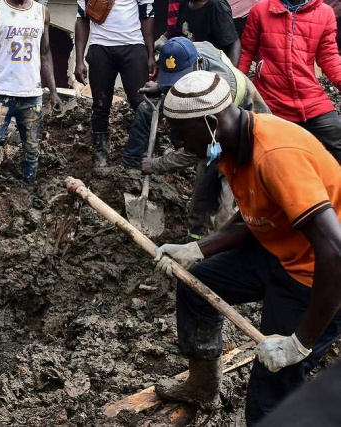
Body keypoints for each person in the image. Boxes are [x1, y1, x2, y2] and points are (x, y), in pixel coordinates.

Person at [145, 71, 341, 423]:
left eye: (179, 132)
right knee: (197, 288)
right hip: (281, 251)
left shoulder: (276, 155)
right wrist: (198, 249)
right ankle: (203, 387)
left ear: (209, 123)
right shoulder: (233, 144)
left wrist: (299, 343)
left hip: (318, 275)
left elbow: (336, 253)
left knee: (271, 393)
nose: (176, 142)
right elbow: (254, 214)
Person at [122, 37, 269, 239]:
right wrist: (162, 86)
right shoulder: (189, 51)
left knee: (226, 205)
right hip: (213, 130)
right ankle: (196, 238)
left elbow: (194, 151)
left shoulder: (219, 92)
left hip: (247, 136)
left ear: (198, 65)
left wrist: (156, 164)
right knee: (203, 190)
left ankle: (225, 251)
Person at [0, 0, 63, 208]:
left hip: (31, 96)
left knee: (32, 149)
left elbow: (45, 53)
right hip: (0, 95)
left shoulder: (41, 12)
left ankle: (26, 194)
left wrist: (53, 91)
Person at [239, 0, 341, 163]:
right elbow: (246, 52)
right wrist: (237, 90)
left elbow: (328, 56)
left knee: (337, 142)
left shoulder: (324, 13)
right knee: (273, 159)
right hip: (272, 101)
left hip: (311, 100)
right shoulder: (261, 10)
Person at [74, 0, 157, 168]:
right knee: (100, 104)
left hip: (133, 46)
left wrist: (150, 54)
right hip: (100, 46)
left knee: (140, 102)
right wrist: (79, 60)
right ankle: (100, 152)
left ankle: (144, 150)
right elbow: (82, 19)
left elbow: (147, 16)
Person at [156, 0, 241, 64]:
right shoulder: (184, 4)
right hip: (190, 65)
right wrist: (162, 40)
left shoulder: (216, 6)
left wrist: (229, 75)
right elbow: (178, 30)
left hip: (211, 68)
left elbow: (234, 43)